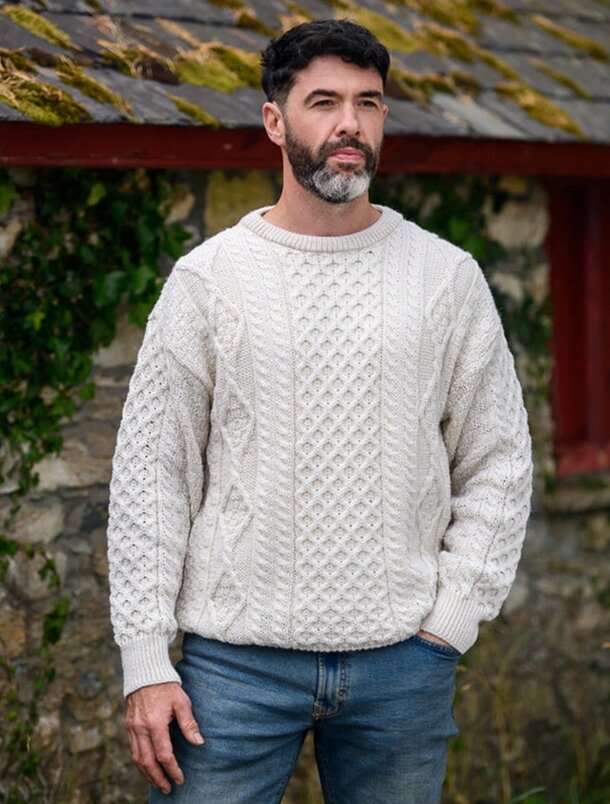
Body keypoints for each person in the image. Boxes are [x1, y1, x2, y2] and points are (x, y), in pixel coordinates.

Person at [107, 18, 532, 804]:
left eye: (368, 103)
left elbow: (498, 460)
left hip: (404, 665)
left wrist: (451, 622)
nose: (350, 124)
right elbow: (151, 477)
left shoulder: (446, 278)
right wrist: (146, 661)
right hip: (231, 671)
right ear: (275, 121)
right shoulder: (209, 280)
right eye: (325, 102)